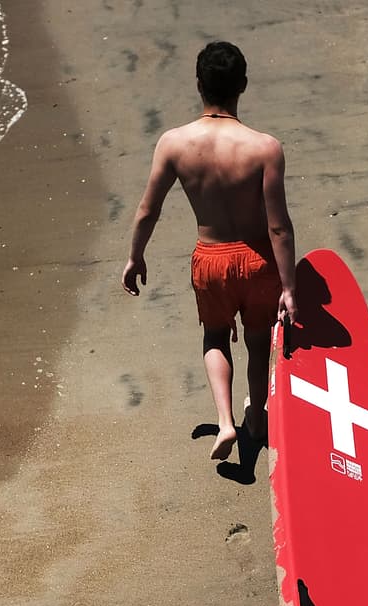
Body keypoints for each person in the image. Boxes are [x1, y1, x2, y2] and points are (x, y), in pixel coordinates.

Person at [121, 40, 298, 462]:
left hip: (211, 259)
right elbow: (279, 225)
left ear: (199, 84)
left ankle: (224, 422)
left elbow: (148, 210)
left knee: (215, 335)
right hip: (258, 261)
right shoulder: (265, 147)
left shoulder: (174, 143)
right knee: (258, 341)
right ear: (244, 85)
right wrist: (289, 286)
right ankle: (258, 413)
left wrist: (135, 256)